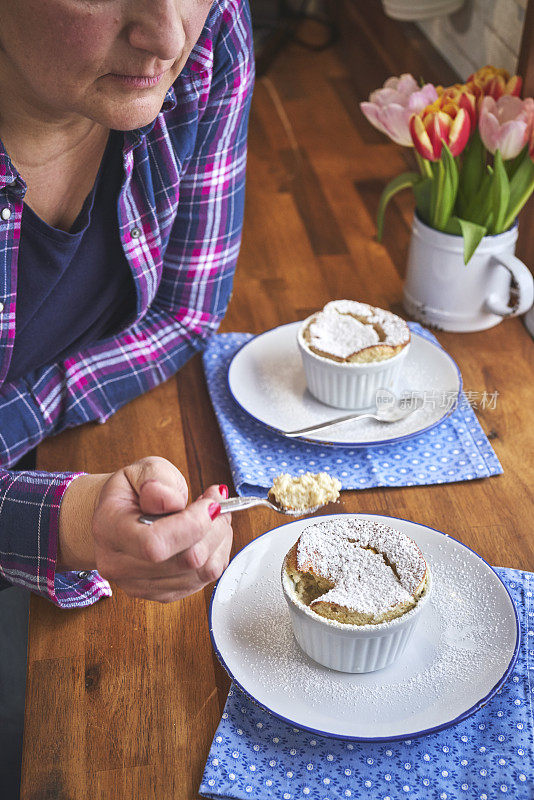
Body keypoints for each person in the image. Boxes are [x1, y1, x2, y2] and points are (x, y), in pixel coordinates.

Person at [0, 0, 255, 608]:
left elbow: (185, 312)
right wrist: (65, 521)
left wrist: (20, 423)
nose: (167, 39)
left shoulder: (211, 34)